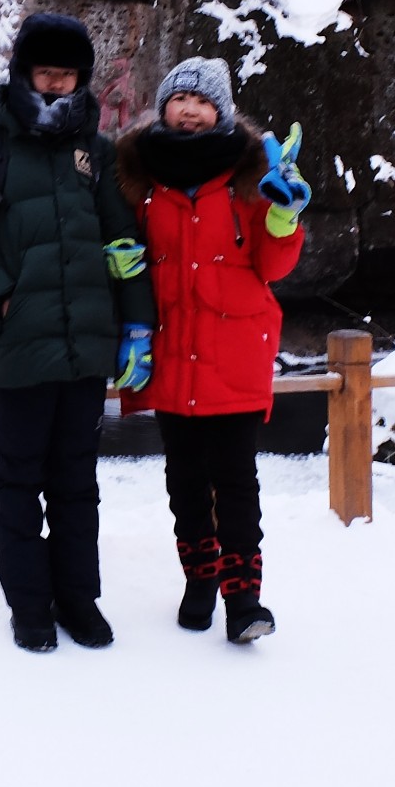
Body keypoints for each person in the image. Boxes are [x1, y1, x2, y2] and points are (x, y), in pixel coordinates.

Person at [0, 12, 157, 653]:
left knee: (76, 482)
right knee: (20, 479)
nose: (58, 84)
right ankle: (30, 606)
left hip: (87, 346)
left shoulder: (99, 153)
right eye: (46, 72)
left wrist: (136, 324)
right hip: (23, 343)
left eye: (68, 74)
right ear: (24, 73)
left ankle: (78, 600)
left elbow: (125, 244)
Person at [115, 57, 309, 644]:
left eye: (202, 101)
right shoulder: (140, 180)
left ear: (221, 111)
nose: (190, 110)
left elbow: (274, 266)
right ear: (164, 107)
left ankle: (243, 600)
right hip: (173, 356)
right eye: (180, 99)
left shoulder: (252, 176)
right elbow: (127, 257)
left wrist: (283, 215)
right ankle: (198, 581)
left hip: (234, 356)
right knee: (185, 481)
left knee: (237, 481)